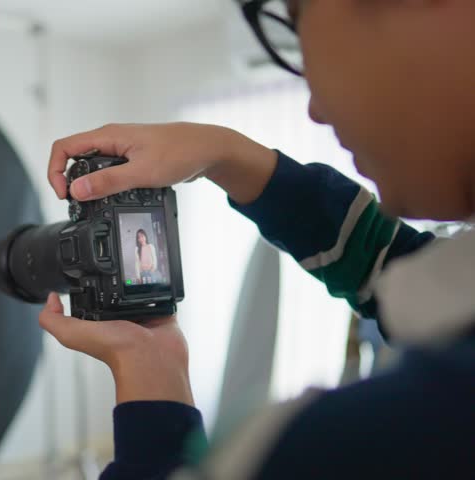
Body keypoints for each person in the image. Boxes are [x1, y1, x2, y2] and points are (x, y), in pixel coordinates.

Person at [39, 1, 475, 478]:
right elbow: (394, 268)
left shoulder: (360, 440)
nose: (316, 109)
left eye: (300, 29)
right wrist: (228, 154)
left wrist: (149, 371)